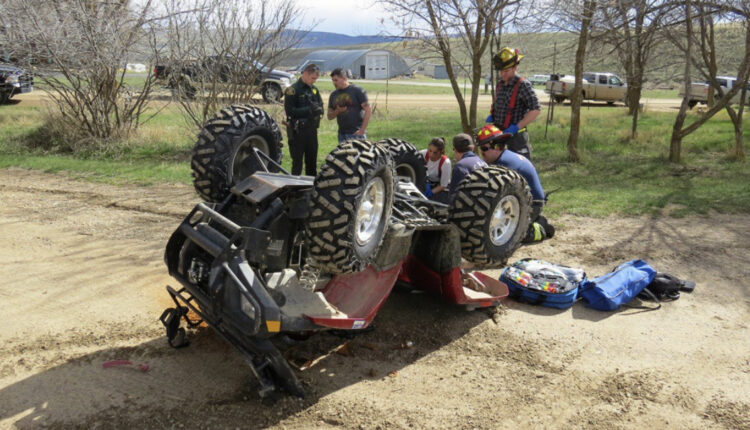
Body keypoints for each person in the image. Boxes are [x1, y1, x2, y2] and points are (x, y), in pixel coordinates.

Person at [476, 124, 554, 243]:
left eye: (484, 148)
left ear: (497, 147)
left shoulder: (505, 164)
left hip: (532, 205)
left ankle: (539, 227)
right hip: (523, 200)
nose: (482, 152)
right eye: (481, 148)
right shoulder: (504, 158)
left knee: (510, 237)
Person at [486, 47, 541, 160]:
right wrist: (493, 115)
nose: (502, 74)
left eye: (506, 71)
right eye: (501, 71)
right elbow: (498, 104)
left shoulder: (523, 85)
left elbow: (535, 109)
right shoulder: (500, 84)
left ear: (515, 68)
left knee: (519, 172)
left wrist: (517, 127)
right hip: (499, 136)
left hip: (517, 139)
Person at [284, 63, 324, 176]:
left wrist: (319, 110)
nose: (314, 81)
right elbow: (290, 111)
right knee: (297, 163)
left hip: (311, 130)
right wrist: (308, 110)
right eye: (313, 78)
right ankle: (295, 190)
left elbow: (320, 104)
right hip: (298, 131)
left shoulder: (314, 90)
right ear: (306, 74)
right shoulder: (292, 90)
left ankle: (310, 188)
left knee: (312, 161)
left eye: (316, 79)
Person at [327, 68, 371, 143]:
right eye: (333, 80)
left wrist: (362, 130)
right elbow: (329, 116)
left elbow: (368, 110)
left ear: (344, 78)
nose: (334, 83)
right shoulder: (333, 95)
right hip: (342, 134)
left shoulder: (357, 91)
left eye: (336, 80)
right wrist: (337, 111)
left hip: (356, 134)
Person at [449, 133, 487, 200]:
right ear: (472, 148)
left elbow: (454, 195)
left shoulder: (460, 166)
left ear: (455, 149)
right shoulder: (483, 162)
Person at [419, 137, 452, 204]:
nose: (431, 154)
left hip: (438, 185)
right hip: (424, 181)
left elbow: (443, 185)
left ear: (441, 151)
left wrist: (431, 192)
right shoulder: (423, 154)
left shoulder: (445, 163)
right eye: (430, 151)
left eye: (435, 152)